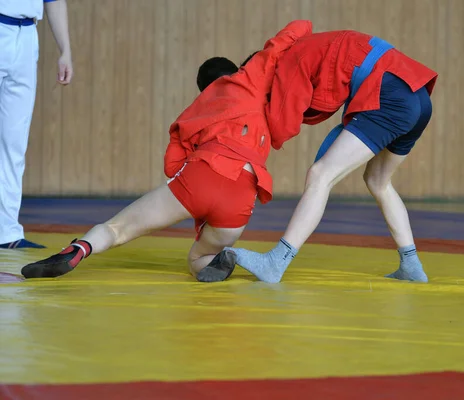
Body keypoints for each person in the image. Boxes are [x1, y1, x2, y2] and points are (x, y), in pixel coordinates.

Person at [20, 20, 313, 281]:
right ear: (236, 72)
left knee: (117, 229)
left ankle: (79, 248)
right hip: (243, 196)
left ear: (203, 90)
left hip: (201, 176)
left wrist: (194, 193)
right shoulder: (252, 84)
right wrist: (306, 32)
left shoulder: (191, 114)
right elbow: (295, 28)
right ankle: (224, 257)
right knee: (198, 259)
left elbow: (173, 167)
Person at [203, 26, 438, 284]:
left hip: (390, 96)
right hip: (417, 95)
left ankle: (276, 261)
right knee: (378, 181)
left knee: (320, 175)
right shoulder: (305, 47)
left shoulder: (289, 63)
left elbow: (282, 125)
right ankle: (411, 265)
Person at [0, 0, 73, 249]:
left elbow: (53, 1)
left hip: (28, 34)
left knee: (14, 141)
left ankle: (6, 232)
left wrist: (65, 50)